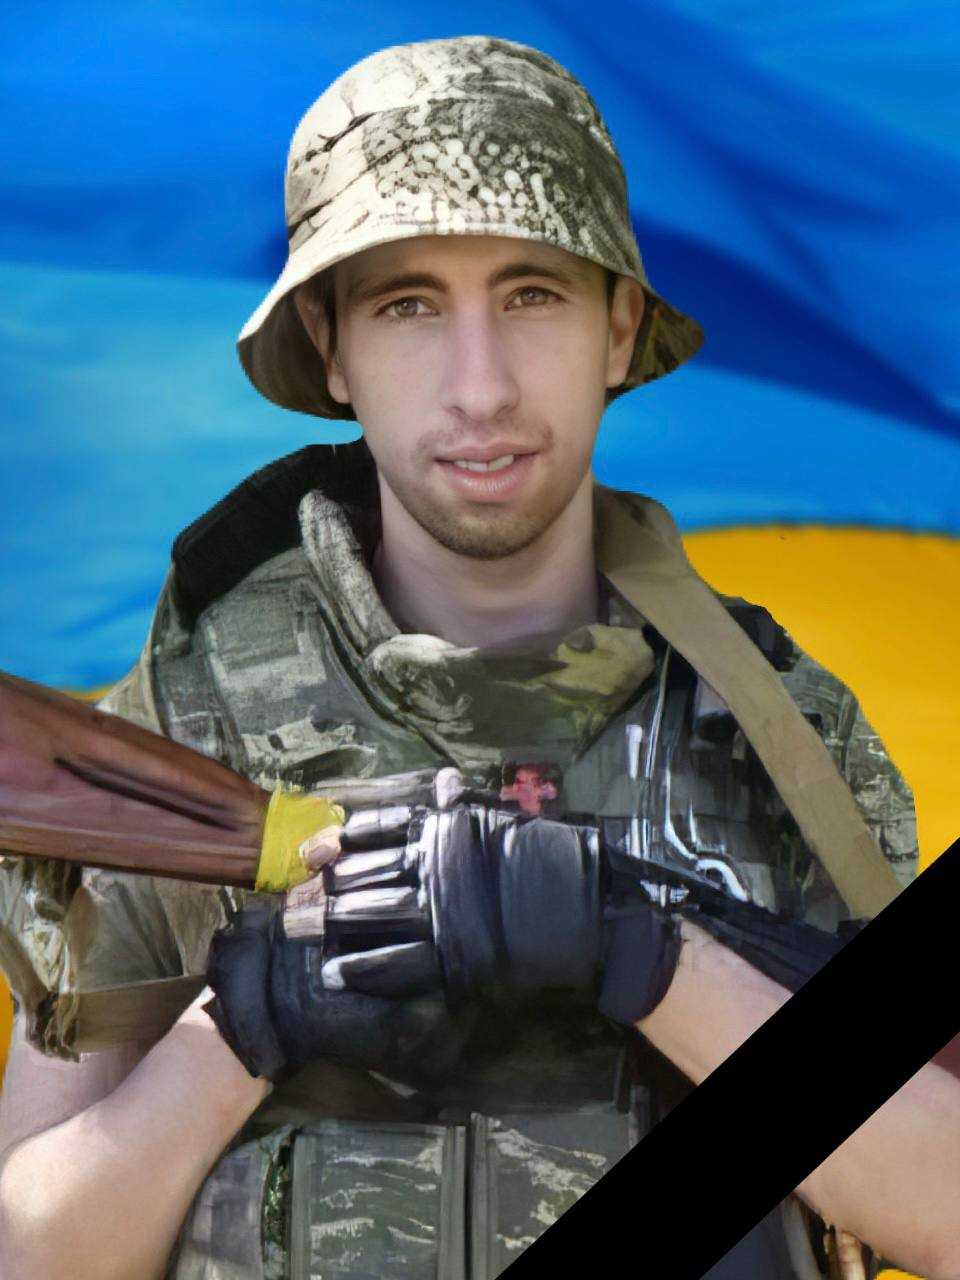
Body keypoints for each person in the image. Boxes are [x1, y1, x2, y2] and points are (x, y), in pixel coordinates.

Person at [0, 33, 955, 1280]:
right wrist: (244, 1027)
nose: (481, 386)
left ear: (619, 325)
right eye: (407, 306)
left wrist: (650, 954)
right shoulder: (168, 743)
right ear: (331, 345)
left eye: (533, 295)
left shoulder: (781, 735)